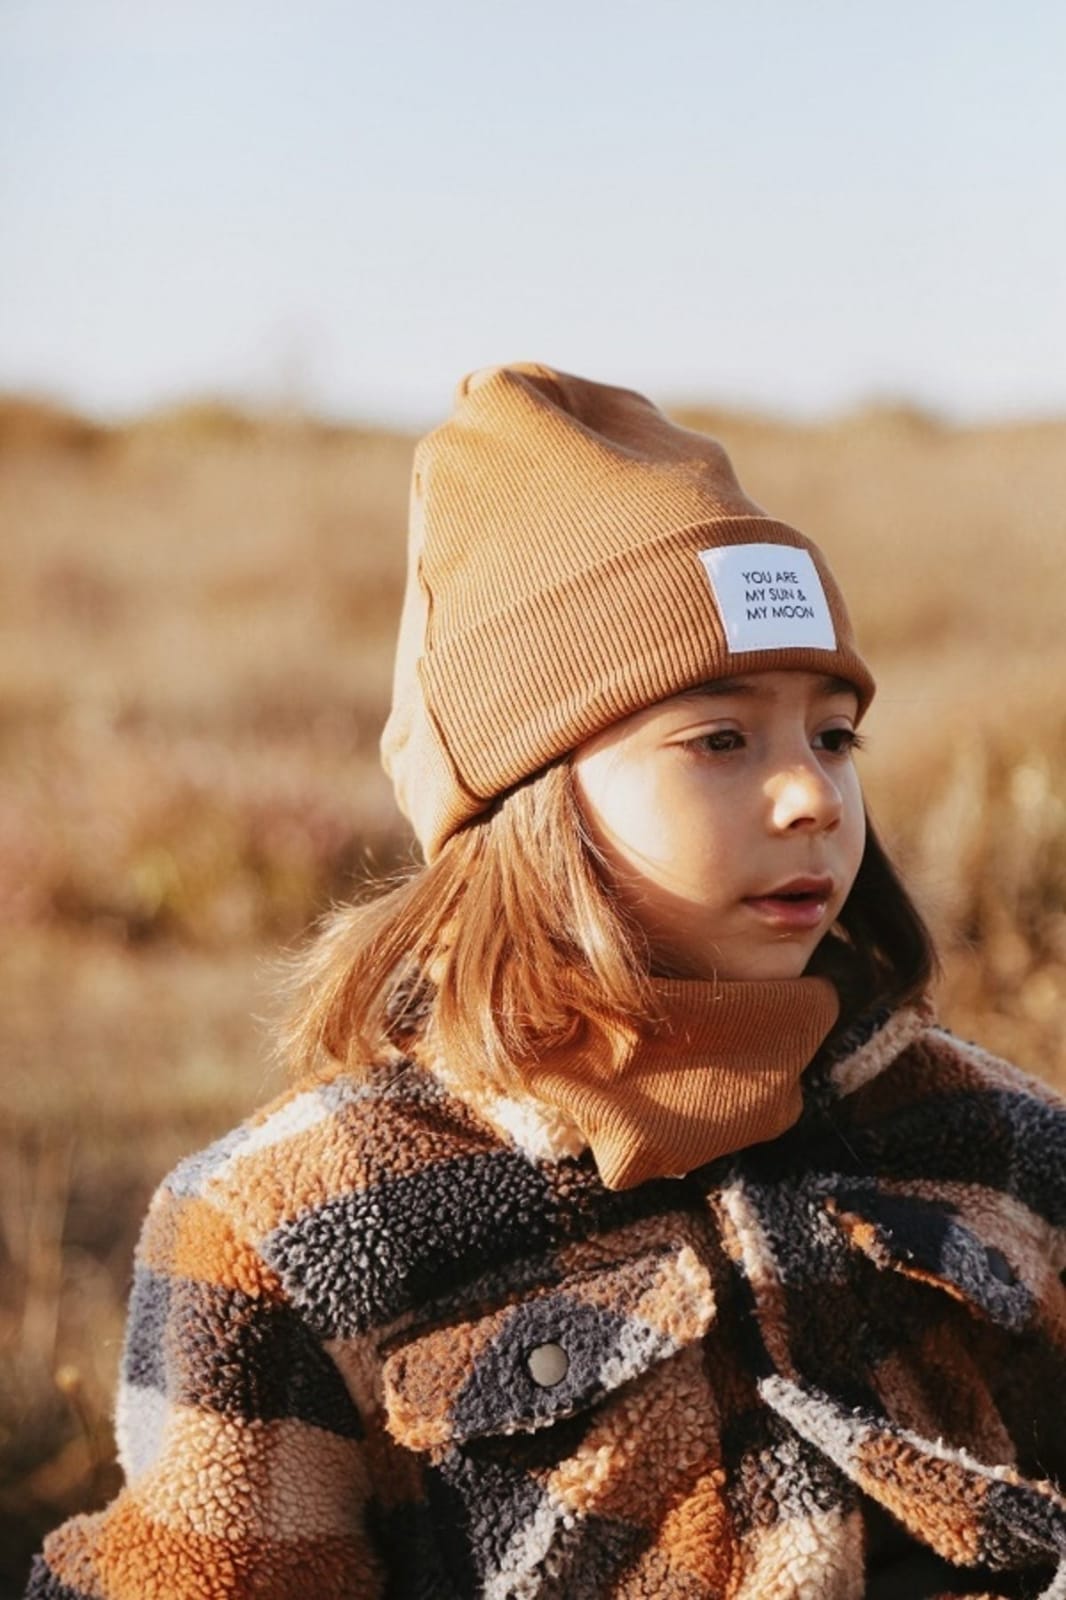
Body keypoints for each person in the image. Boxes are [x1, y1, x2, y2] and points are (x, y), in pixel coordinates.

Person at [28, 364, 1066, 1599]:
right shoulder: (290, 1229)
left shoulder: (996, 1140)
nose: (810, 796)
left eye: (833, 734)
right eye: (720, 739)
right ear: (527, 805)